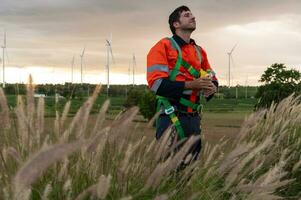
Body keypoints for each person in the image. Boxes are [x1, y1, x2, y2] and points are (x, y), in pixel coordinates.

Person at [146, 5, 218, 160]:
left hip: (194, 118)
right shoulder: (163, 46)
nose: (193, 17)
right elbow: (156, 85)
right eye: (187, 15)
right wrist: (193, 85)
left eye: (192, 15)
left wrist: (212, 88)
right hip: (171, 116)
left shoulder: (199, 51)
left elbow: (212, 77)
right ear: (176, 24)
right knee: (167, 171)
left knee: (189, 170)